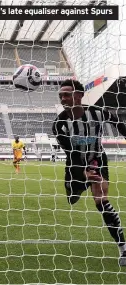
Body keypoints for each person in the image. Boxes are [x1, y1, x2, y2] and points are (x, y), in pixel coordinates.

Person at [52, 79, 126, 266]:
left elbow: (120, 124)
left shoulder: (98, 113)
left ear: (79, 95)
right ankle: (77, 188)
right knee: (72, 198)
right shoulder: (59, 124)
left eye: (67, 94)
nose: (63, 98)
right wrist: (83, 173)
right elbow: (71, 154)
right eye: (61, 95)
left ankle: (123, 248)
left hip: (97, 160)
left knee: (101, 200)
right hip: (76, 165)